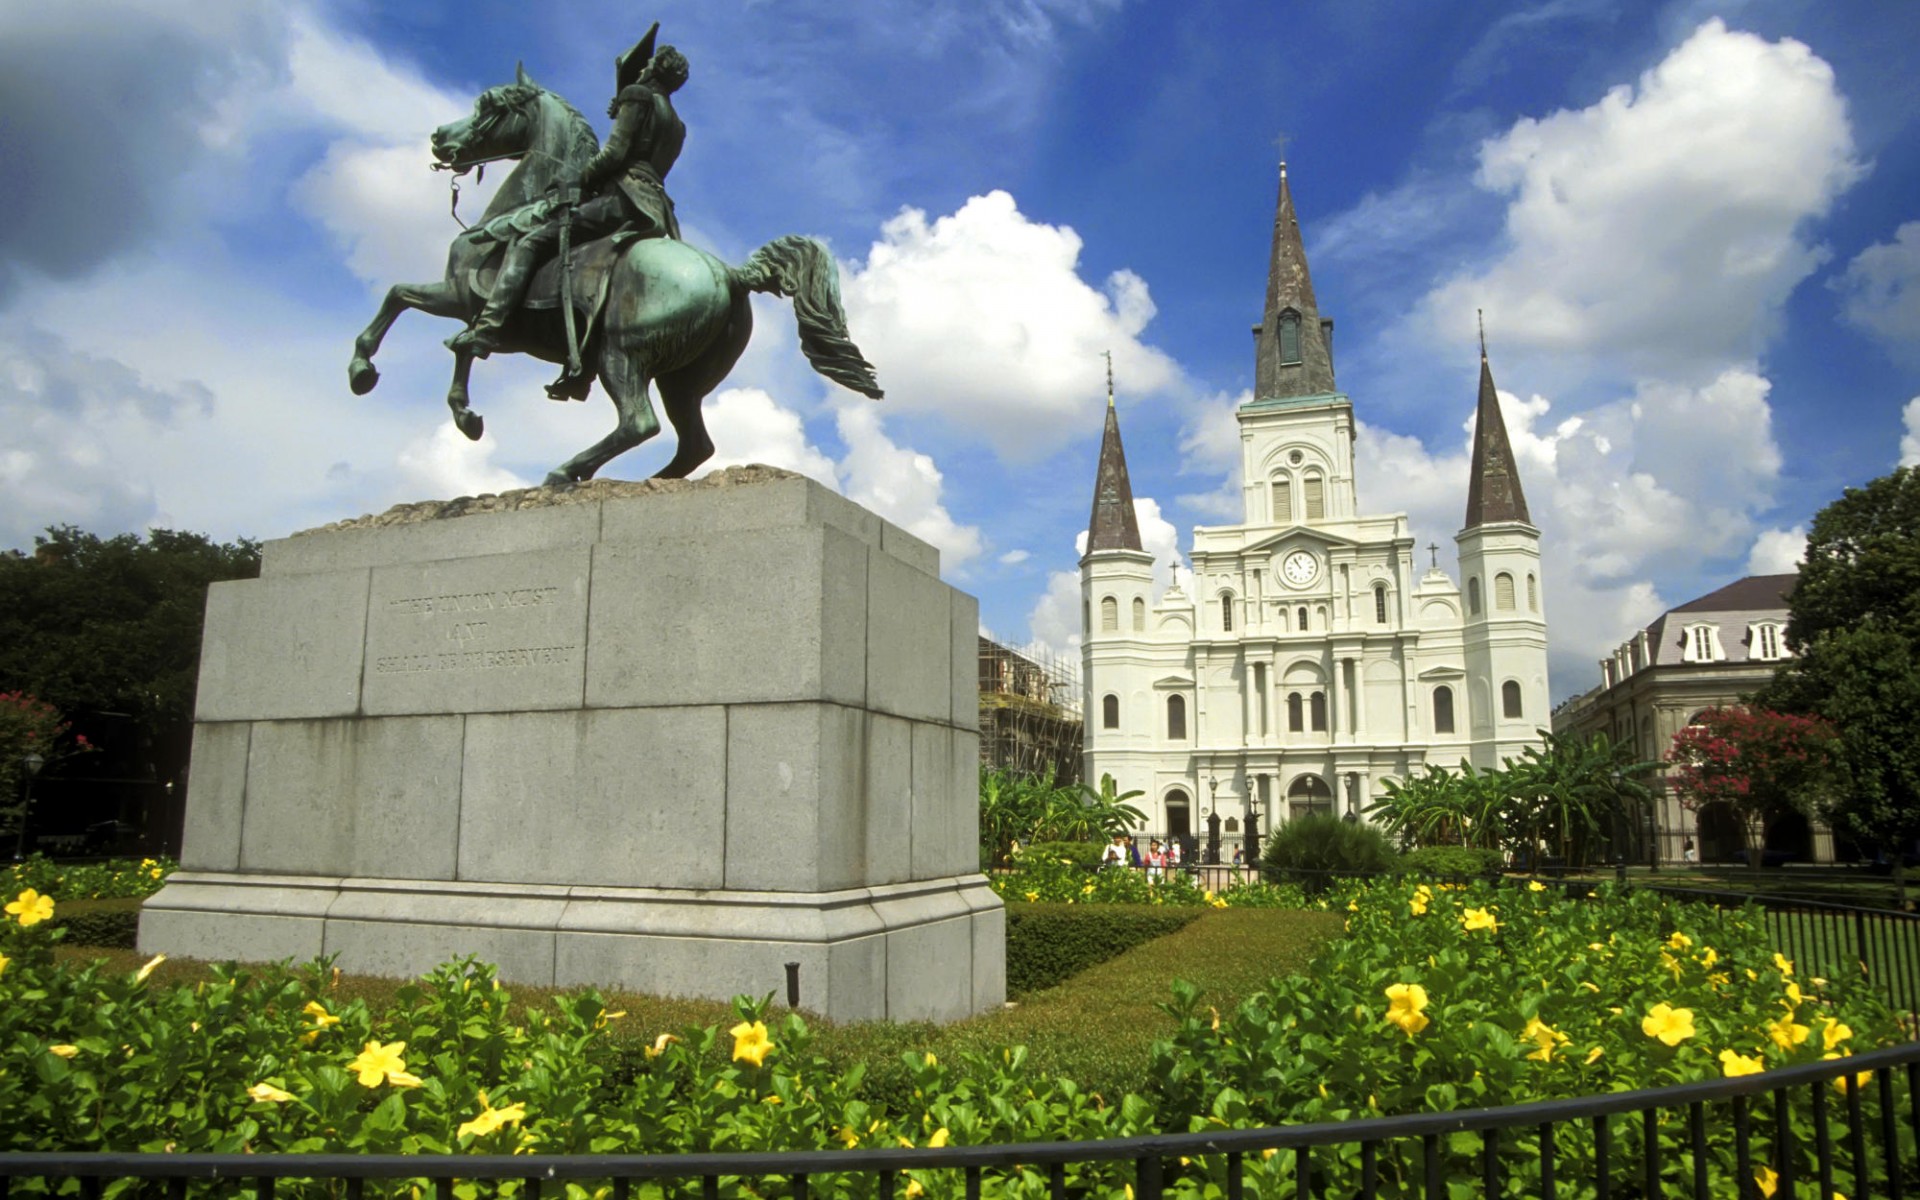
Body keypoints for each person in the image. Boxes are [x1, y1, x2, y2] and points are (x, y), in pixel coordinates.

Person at [447, 26, 689, 361]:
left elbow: (615, 155)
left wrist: (581, 177)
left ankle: (488, 327)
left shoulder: (636, 94)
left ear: (653, 70)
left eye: (647, 66)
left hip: (623, 200)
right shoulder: (678, 125)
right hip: (658, 210)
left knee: (530, 242)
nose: (642, 68)